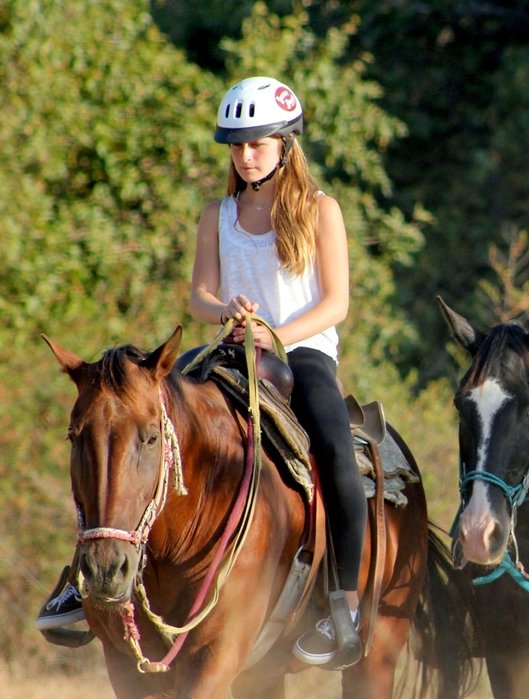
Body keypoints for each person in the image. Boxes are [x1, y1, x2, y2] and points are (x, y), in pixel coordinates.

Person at [36, 76, 366, 669]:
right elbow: (200, 296)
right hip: (227, 349)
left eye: (257, 143)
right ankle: (82, 582)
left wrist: (277, 334)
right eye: (236, 145)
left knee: (338, 456)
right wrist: (228, 315)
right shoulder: (218, 213)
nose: (244, 155)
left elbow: (336, 303)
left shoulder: (321, 211)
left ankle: (342, 606)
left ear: (286, 144)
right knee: (141, 428)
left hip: (301, 352)